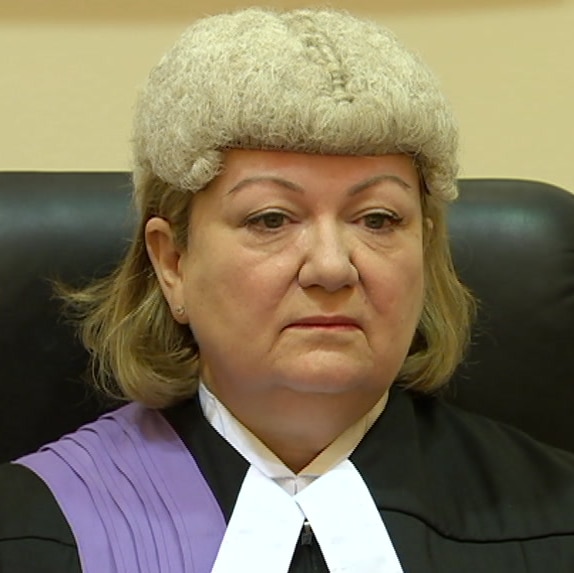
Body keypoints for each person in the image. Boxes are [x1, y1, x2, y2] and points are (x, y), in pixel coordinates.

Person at [1, 7, 574, 573]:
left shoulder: (552, 523)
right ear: (172, 261)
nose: (331, 267)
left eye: (377, 219)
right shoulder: (36, 531)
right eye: (271, 219)